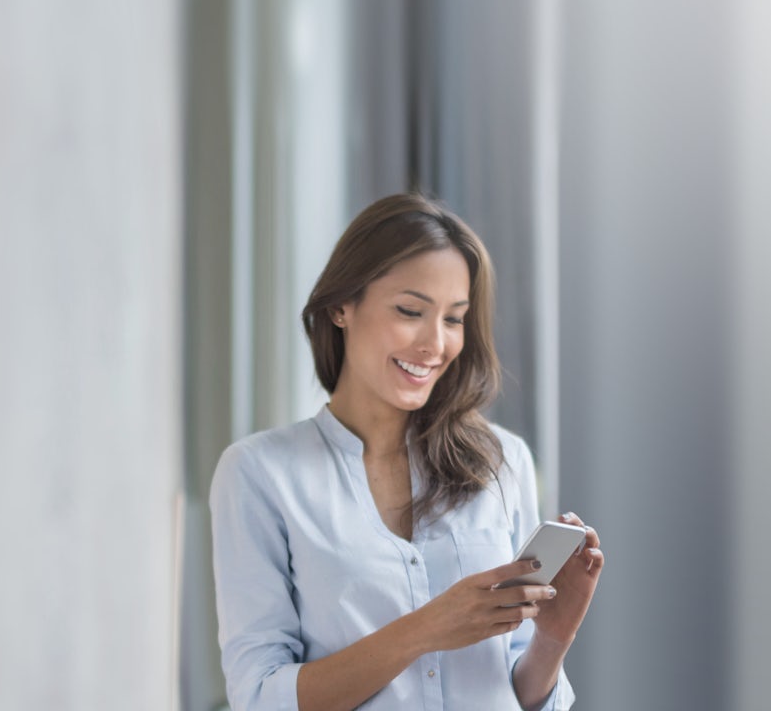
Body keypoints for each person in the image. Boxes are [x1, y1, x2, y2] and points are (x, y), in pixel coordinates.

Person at [209, 193, 603, 711]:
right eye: (410, 311)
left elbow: (522, 695)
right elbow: (260, 698)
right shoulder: (260, 475)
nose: (434, 344)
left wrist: (554, 638)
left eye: (454, 319)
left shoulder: (502, 463)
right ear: (340, 307)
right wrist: (425, 629)